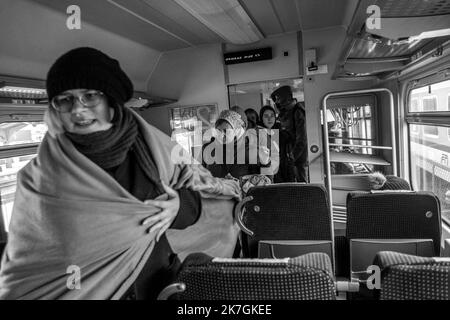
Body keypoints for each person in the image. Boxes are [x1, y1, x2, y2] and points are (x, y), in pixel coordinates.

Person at [0, 47, 240, 300]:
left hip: (159, 286)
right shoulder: (36, 179)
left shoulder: (151, 146)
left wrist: (178, 206)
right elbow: (28, 269)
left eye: (90, 96)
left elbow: (197, 196)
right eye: (65, 99)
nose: (78, 110)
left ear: (111, 100)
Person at [202, 110, 270, 179]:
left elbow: (266, 183)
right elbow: (200, 177)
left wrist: (265, 163)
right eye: (218, 130)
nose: (221, 135)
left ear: (236, 130)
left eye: (226, 131)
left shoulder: (250, 150)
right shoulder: (208, 149)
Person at [270, 85, 308, 182]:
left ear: (285, 98)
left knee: (301, 186)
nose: (277, 102)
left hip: (297, 159)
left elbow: (302, 139)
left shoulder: (298, 112)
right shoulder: (286, 113)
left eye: (278, 99)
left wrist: (292, 157)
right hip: (288, 156)